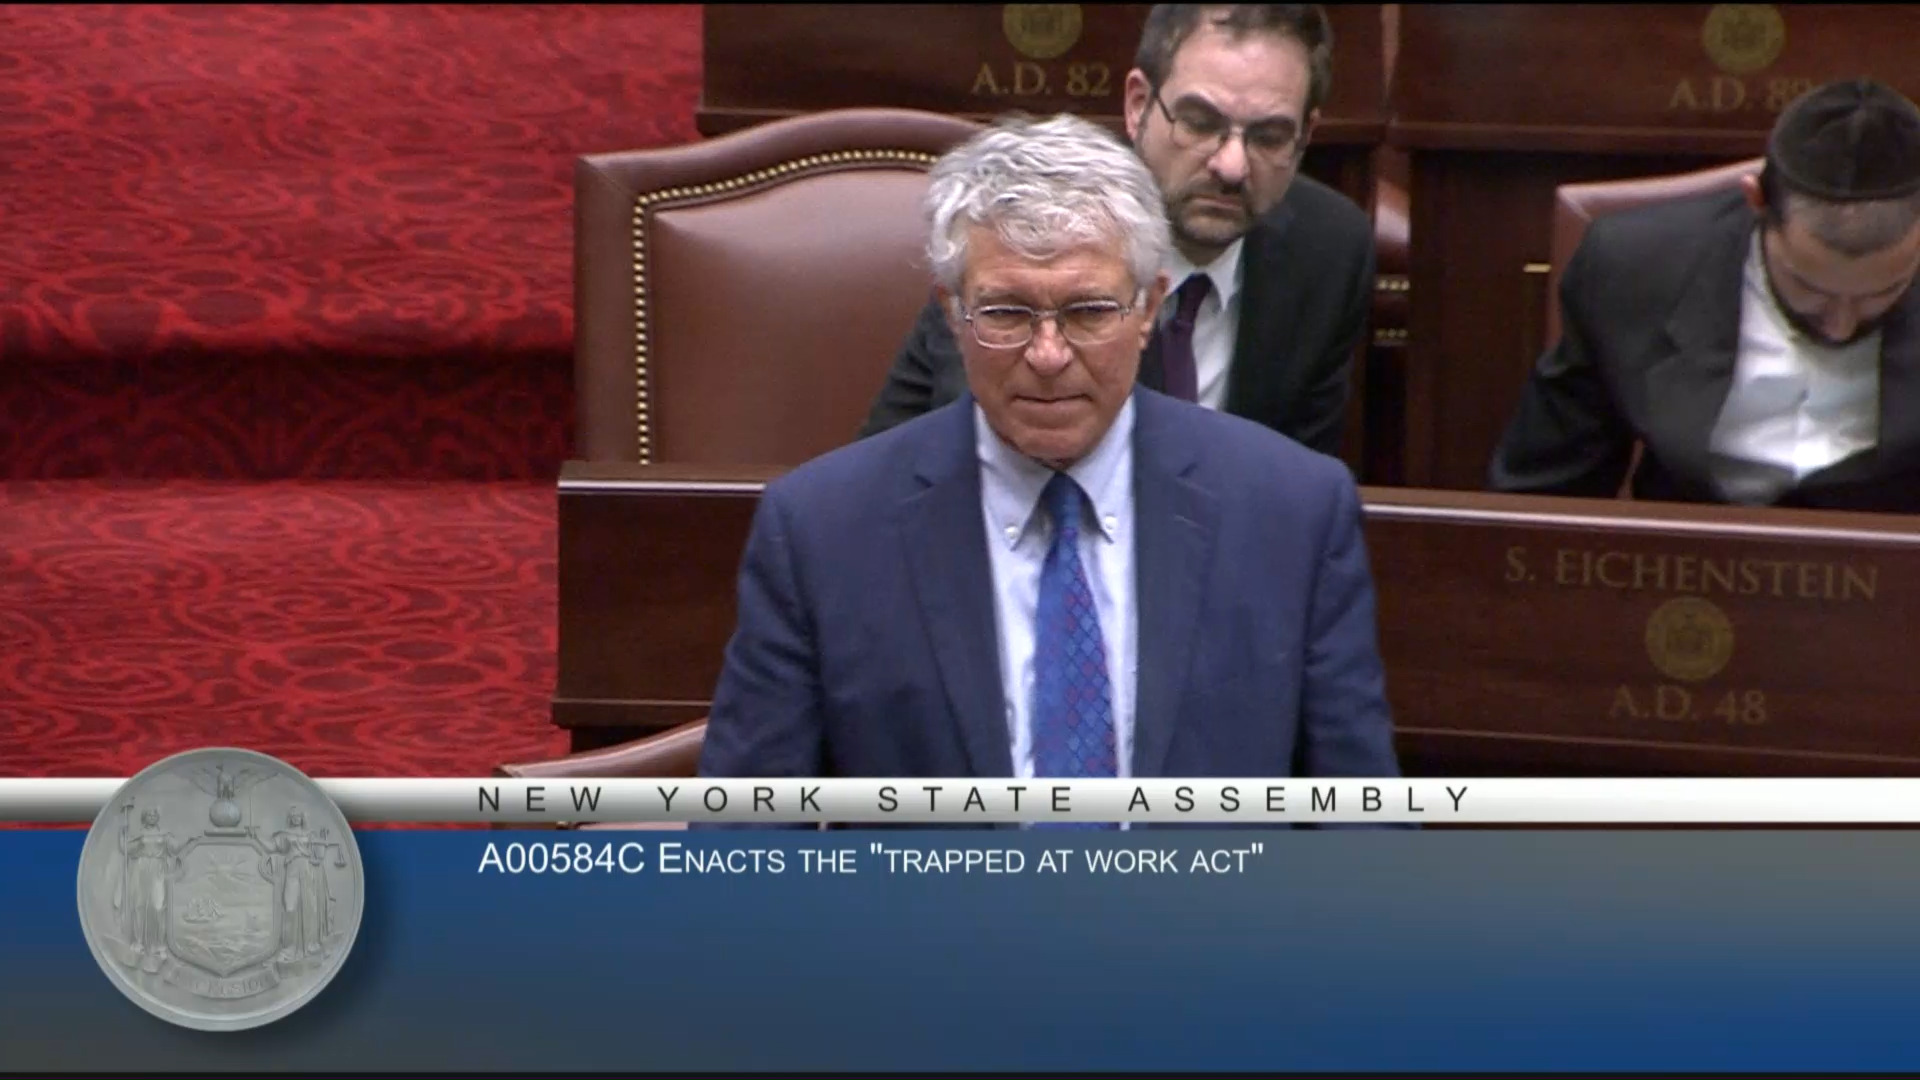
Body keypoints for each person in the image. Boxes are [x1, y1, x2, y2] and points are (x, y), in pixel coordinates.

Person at [697, 113, 1400, 808]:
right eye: (1006, 313)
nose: (1048, 355)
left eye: (1088, 311)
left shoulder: (1291, 512)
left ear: (1148, 308)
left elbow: (1359, 829)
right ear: (952, 314)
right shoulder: (823, 532)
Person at [858, 4, 1375, 460]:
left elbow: (1296, 484)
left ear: (1306, 134)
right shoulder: (1024, 233)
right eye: (1199, 122)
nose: (1232, 165)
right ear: (1137, 104)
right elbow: (989, 460)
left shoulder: (1330, 251)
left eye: (1270, 137)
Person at [1489, 79, 1920, 511]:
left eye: (1882, 292)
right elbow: (1547, 492)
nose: (1840, 326)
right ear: (1756, 201)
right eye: (1809, 289)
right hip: (1686, 547)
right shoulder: (1633, 267)